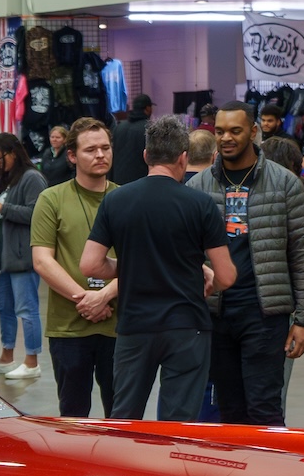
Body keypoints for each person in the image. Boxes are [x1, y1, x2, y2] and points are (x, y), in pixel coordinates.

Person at [81, 116, 232, 420]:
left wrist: (131, 265)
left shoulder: (116, 200)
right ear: (183, 158)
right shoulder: (201, 204)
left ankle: (123, 467)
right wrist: (204, 275)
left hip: (135, 325)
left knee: (124, 417)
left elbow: (90, 264)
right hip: (187, 326)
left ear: (146, 156)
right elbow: (227, 275)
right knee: (179, 423)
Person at [187, 103, 304, 426]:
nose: (226, 138)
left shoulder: (286, 185)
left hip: (264, 314)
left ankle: (271, 474)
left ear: (254, 132)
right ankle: (238, 475)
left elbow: (303, 254)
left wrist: (303, 319)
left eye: (235, 130)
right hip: (216, 314)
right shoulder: (198, 188)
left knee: (264, 407)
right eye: (219, 131)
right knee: (229, 407)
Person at [30, 117, 120, 415]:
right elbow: (43, 261)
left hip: (119, 327)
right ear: (72, 156)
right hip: (69, 328)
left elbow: (141, 262)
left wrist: (104, 296)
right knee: (73, 417)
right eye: (90, 149)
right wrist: (87, 300)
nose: (100, 155)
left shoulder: (126, 199)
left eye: (105, 148)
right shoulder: (51, 199)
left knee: (122, 417)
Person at [0, 133, 48, 380]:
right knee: (3, 305)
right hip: (7, 257)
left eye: (0, 157)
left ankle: (32, 361)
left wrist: (2, 208)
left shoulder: (32, 178)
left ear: (13, 153)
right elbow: (8, 215)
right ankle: (7, 357)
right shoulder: (10, 180)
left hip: (23, 257)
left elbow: (37, 214)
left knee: (27, 309)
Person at [109, 98, 152, 186]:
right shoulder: (149, 129)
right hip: (140, 185)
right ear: (148, 109)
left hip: (117, 183)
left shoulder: (119, 127)